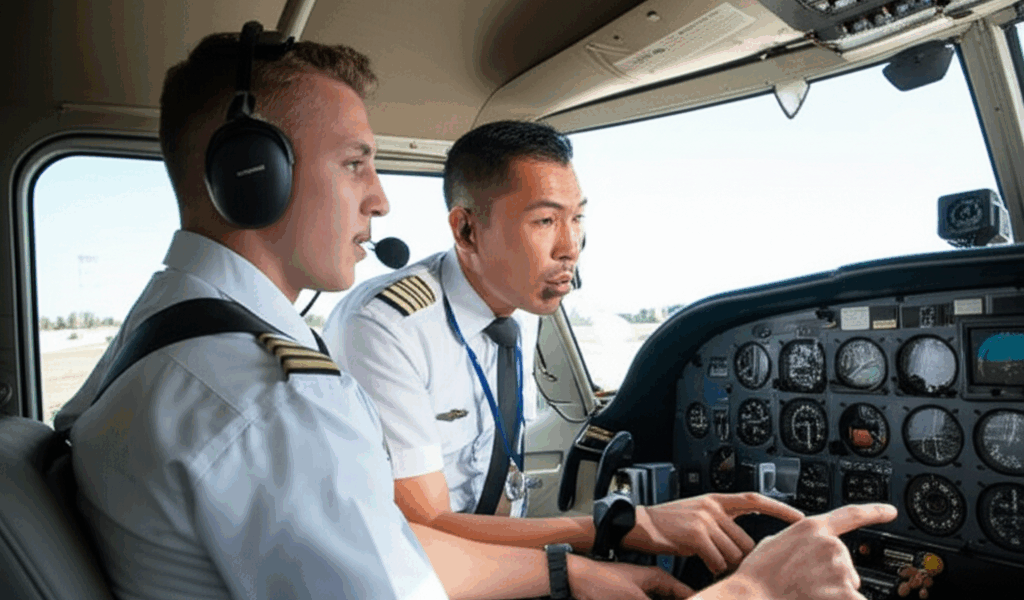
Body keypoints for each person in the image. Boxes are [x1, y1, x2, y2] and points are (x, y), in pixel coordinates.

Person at [55, 28, 896, 600]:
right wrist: (755, 589)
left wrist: (573, 573)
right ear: (250, 174)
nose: (380, 199)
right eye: (354, 164)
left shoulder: (167, 338)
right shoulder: (262, 398)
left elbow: (384, 549)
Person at [320, 119, 894, 580]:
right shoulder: (388, 326)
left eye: (578, 218)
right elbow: (424, 530)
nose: (571, 247)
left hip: (507, 571)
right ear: (467, 230)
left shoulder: (511, 314)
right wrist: (613, 526)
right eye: (545, 220)